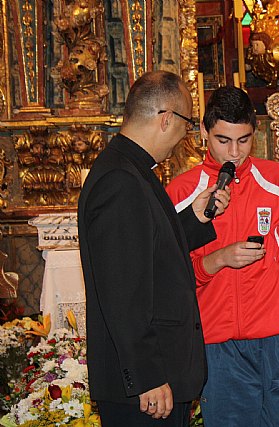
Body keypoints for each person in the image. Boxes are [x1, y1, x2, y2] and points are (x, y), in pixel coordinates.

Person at [166, 86, 279, 426]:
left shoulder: (276, 180)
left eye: (244, 140)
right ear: (204, 133)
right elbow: (168, 276)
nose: (234, 152)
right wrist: (218, 259)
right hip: (220, 348)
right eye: (223, 140)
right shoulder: (181, 192)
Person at [78, 70, 230, 426]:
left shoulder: (131, 171)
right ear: (166, 119)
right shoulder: (120, 180)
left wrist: (194, 218)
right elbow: (122, 290)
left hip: (155, 379)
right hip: (146, 389)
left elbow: (148, 251)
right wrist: (146, 375)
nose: (184, 137)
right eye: (186, 125)